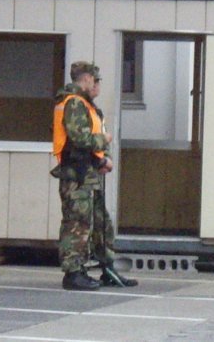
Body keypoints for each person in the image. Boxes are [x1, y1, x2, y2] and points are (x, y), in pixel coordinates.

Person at [51, 61, 137, 291]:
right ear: (86, 79)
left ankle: (106, 266)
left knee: (99, 223)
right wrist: (105, 141)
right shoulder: (74, 104)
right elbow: (80, 140)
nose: (98, 86)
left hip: (89, 173)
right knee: (77, 223)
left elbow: (88, 142)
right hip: (76, 175)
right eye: (96, 81)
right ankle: (73, 272)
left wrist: (101, 160)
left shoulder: (87, 105)